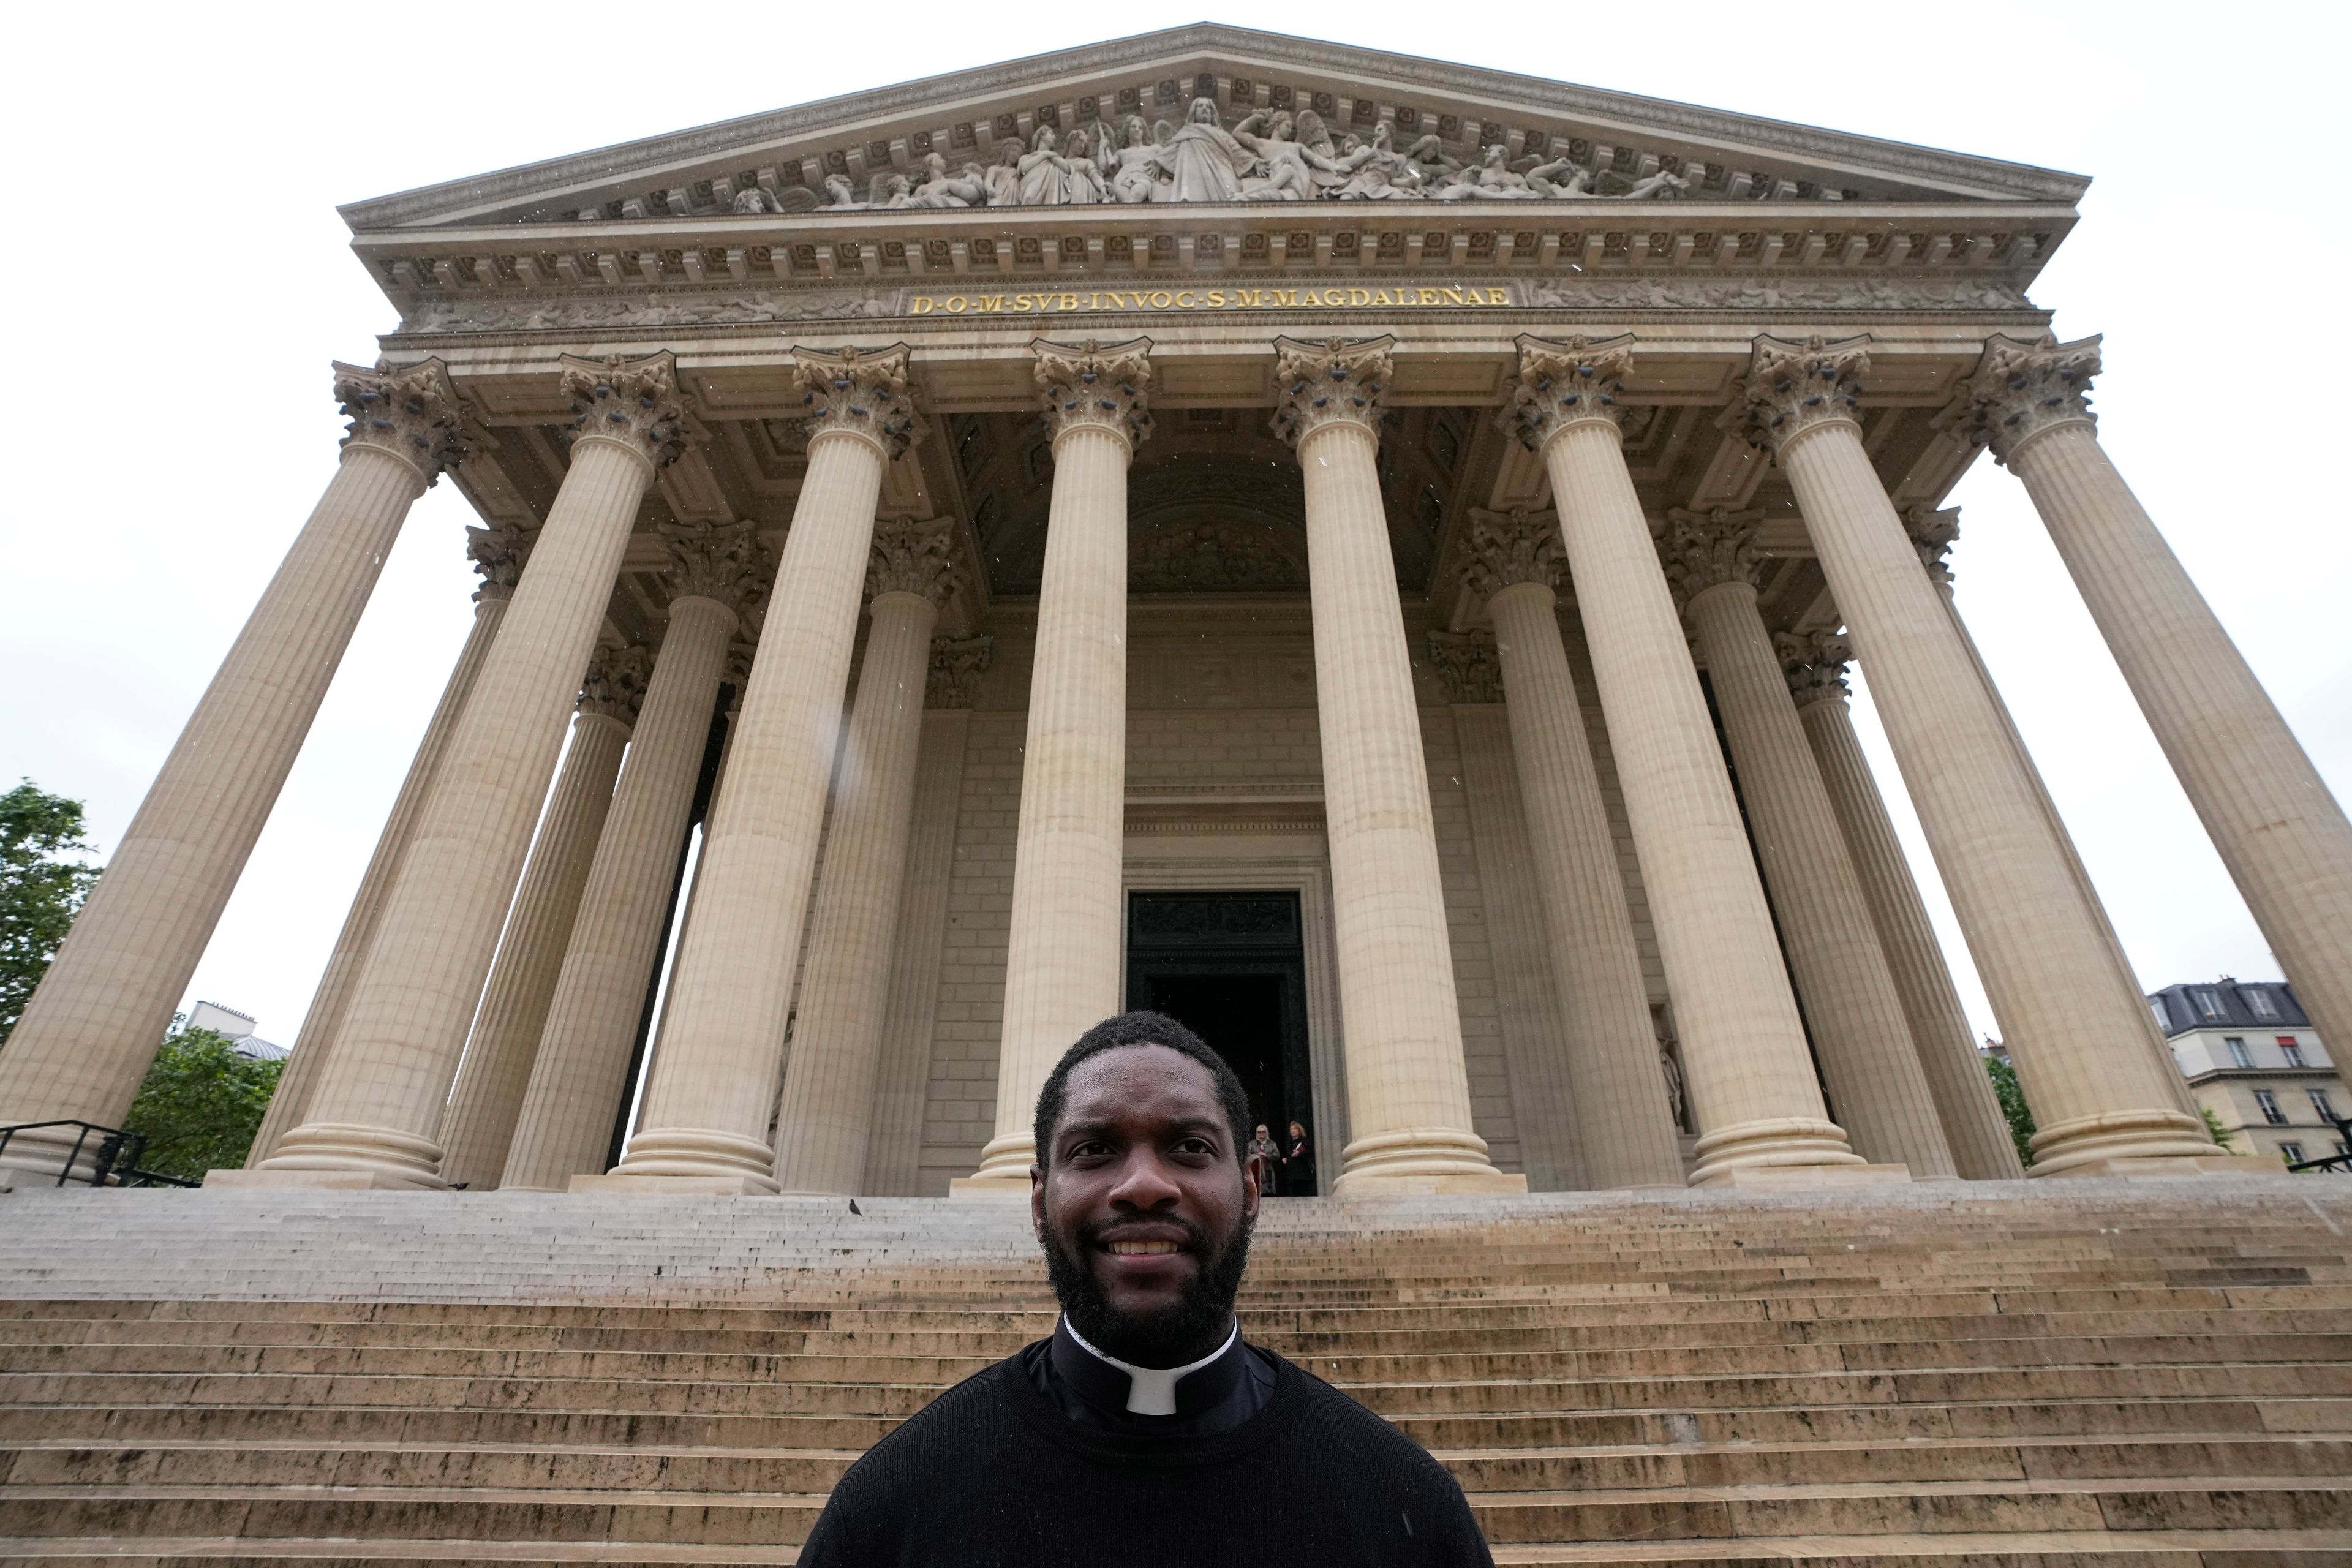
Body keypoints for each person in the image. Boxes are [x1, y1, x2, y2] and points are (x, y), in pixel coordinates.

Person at [797, 1011, 1492, 1566]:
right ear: (1039, 1199)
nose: (1144, 1185)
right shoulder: (889, 1510)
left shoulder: (1410, 1510)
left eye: (1189, 1146)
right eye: (1094, 1148)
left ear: (1252, 1187)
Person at [1246, 1122, 1283, 1194]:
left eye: (1263, 1132)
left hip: (1268, 1169)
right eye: (1259, 1132)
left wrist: (1266, 1155)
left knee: (1270, 1191)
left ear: (1267, 1133)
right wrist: (1257, 1155)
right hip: (1255, 1170)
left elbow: (1277, 1155)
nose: (1261, 1133)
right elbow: (1247, 1154)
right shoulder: (1252, 1144)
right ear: (1256, 1133)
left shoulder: (1272, 1144)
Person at [1284, 1119, 1316, 1195]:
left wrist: (1300, 1153)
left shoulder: (1305, 1141)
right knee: (1295, 1192)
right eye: (1292, 1129)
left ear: (1299, 1130)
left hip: (1303, 1172)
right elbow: (1285, 1154)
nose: (1293, 1131)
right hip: (1293, 1173)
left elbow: (1311, 1152)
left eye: (1295, 1129)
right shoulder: (1289, 1144)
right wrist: (1284, 1158)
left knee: (1304, 1191)